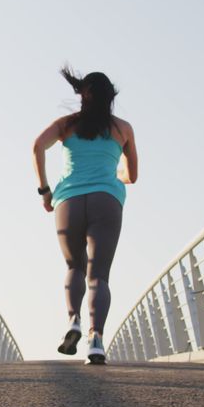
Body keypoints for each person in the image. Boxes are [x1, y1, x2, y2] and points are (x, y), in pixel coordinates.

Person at [32, 66, 138, 365]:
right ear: (110, 98)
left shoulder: (66, 125)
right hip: (107, 199)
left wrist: (45, 191)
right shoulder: (123, 129)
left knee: (74, 267)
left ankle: (74, 321)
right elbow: (133, 175)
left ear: (83, 95)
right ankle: (96, 340)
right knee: (99, 276)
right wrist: (113, 173)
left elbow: (38, 145)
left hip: (69, 200)